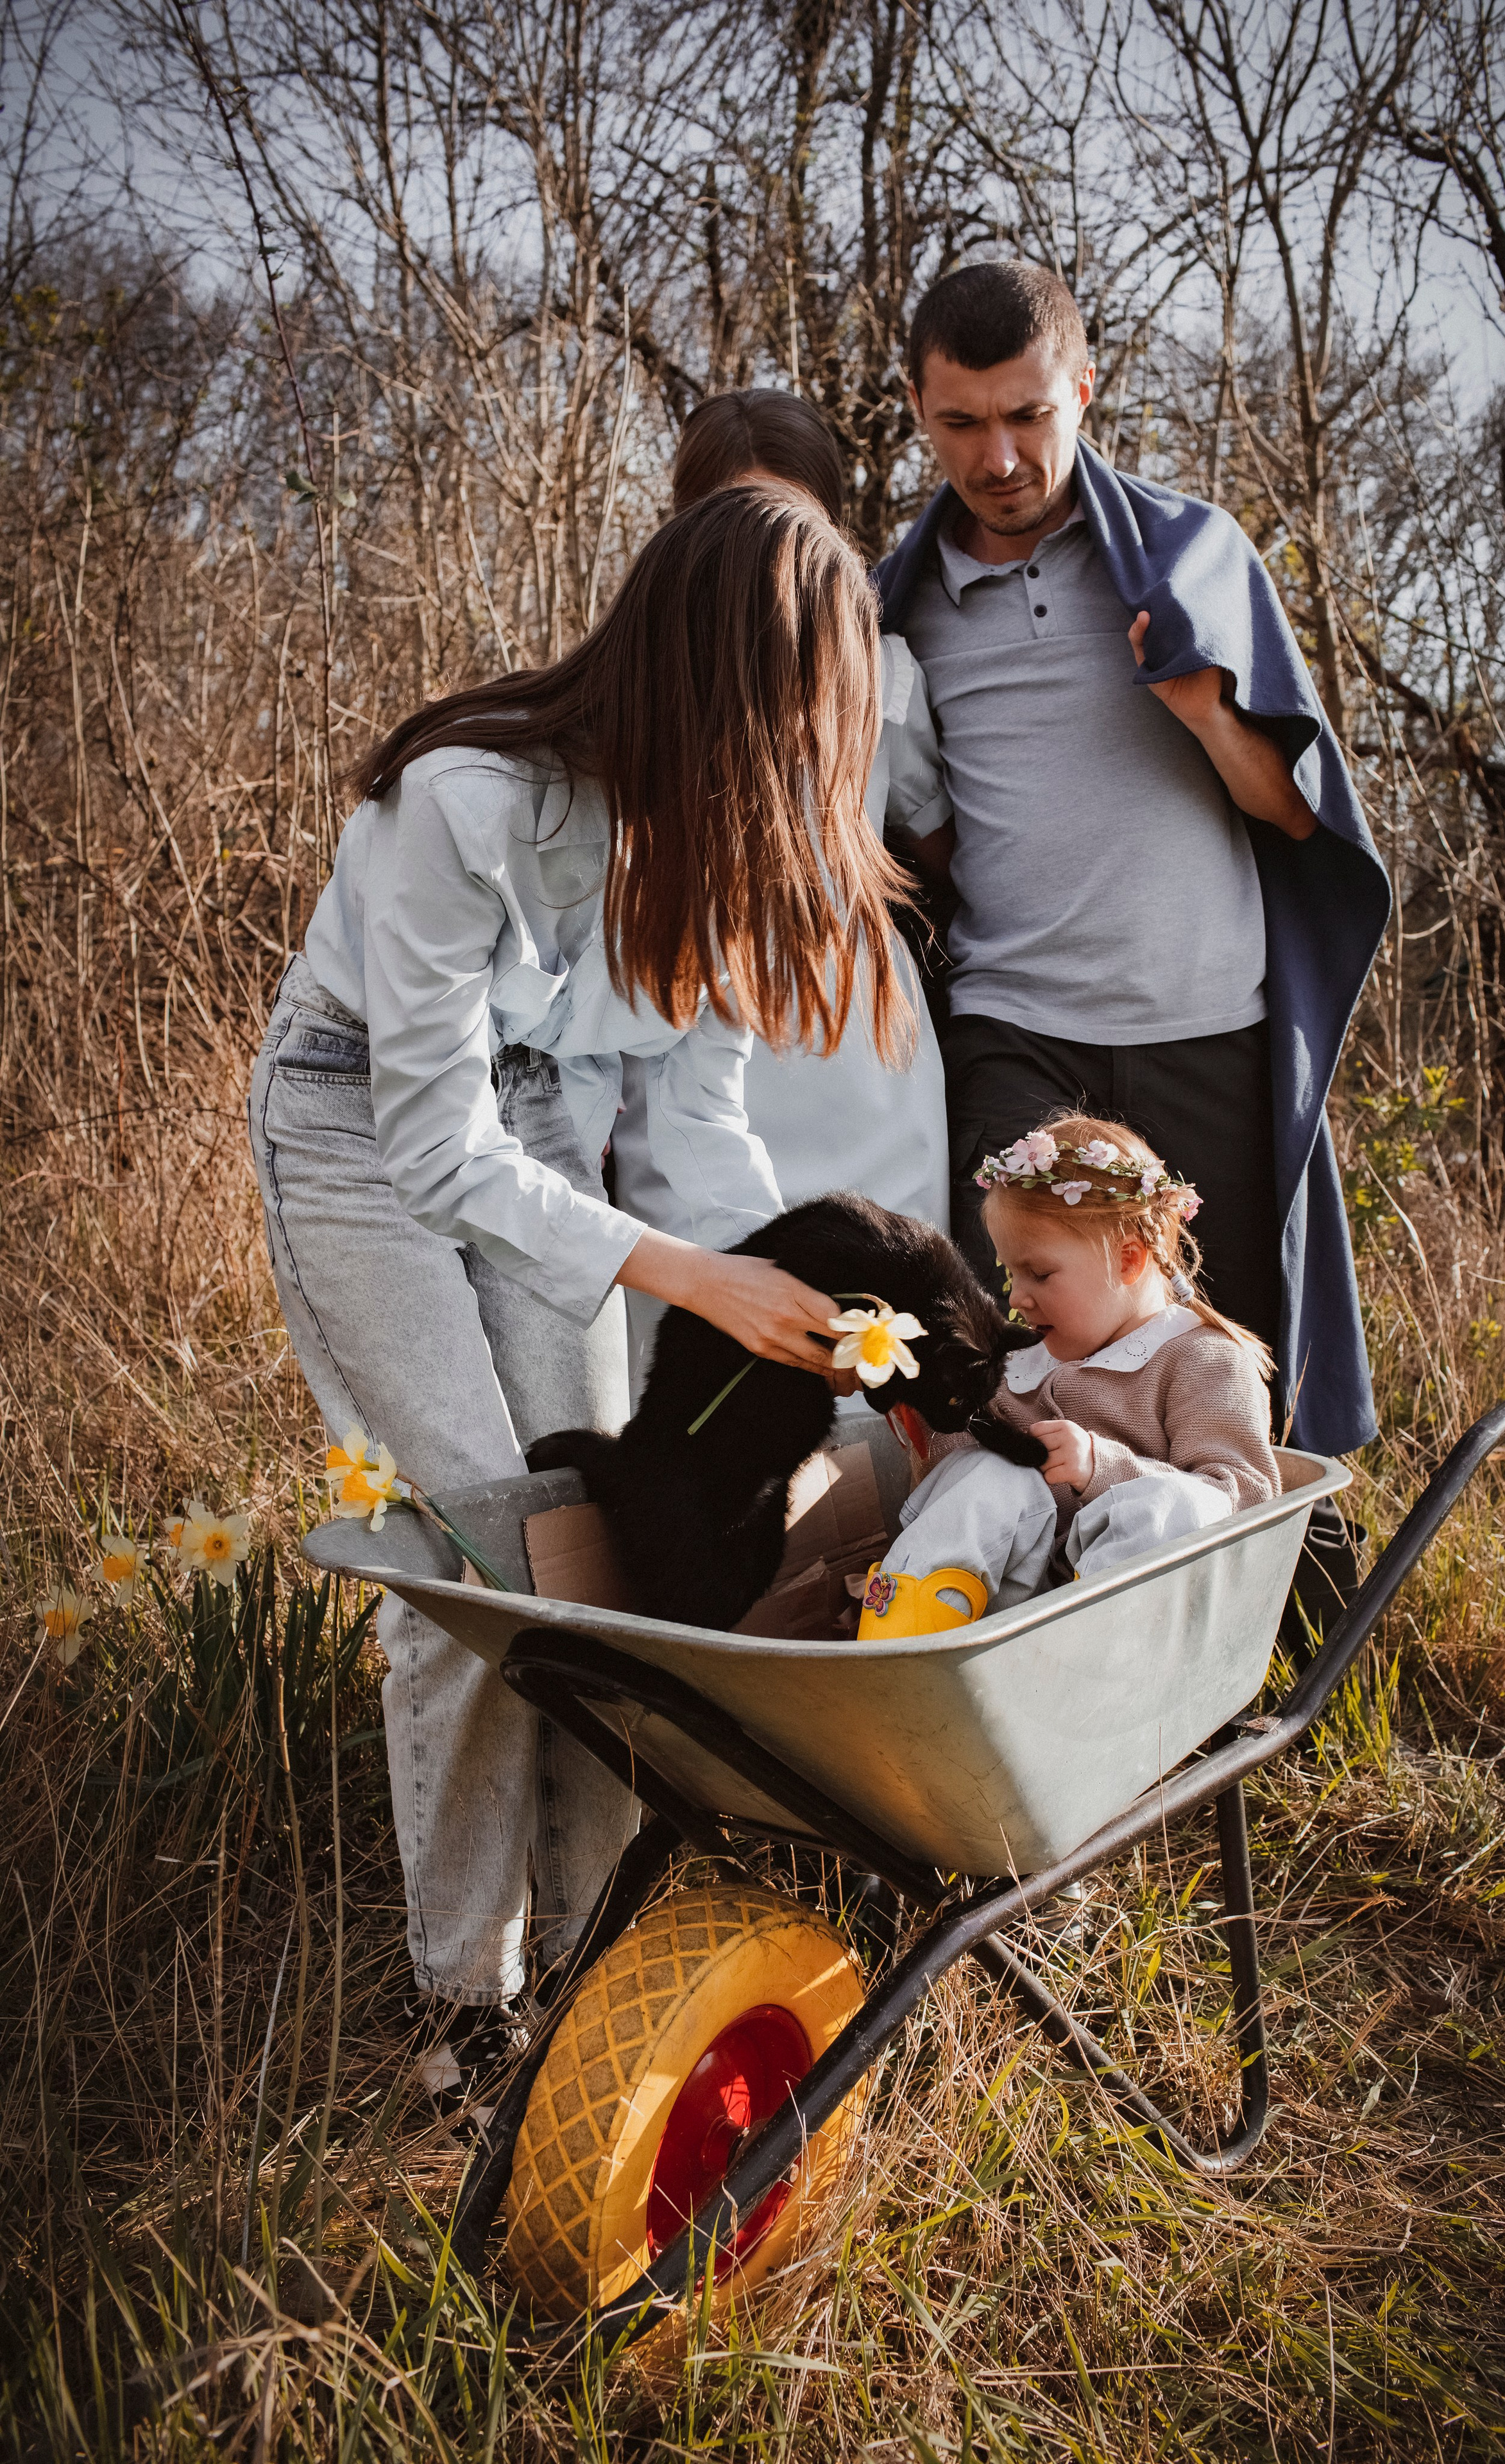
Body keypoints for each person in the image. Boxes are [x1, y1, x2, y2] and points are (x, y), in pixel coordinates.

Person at [248, 483, 903, 2102]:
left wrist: (803, 1300)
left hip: (538, 1124)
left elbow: (692, 1132)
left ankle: (593, 1954)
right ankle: (463, 1997)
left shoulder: (738, 851)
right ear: (711, 686)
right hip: (360, 1125)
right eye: (798, 719)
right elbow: (432, 1138)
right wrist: (686, 1277)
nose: (816, 764)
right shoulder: (464, 799)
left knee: (596, 1552)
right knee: (492, 1549)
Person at [873, 259, 1390, 1641]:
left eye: (1028, 416)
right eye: (960, 423)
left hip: (1195, 1023)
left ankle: (1266, 1653)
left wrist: (1204, 712)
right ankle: (1011, 1656)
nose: (998, 456)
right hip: (1014, 1026)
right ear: (917, 412)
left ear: (1082, 390)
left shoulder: (1188, 555)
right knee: (1010, 1346)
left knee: (1219, 1350)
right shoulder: (892, 611)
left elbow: (1295, 808)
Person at [609, 389, 952, 1398]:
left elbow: (937, 844)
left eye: (789, 519)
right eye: (726, 514)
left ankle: (893, 1548)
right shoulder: (646, 681)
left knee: (884, 1321)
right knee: (702, 1325)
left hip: (857, 1036)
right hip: (687, 1008)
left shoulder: (886, 675)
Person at [857, 1116, 1279, 1636]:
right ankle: (902, 1635)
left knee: (1176, 1503)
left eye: (1039, 1273)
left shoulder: (1203, 1359)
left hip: (1131, 1616)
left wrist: (1104, 1467)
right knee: (992, 1476)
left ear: (1128, 1260)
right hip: (1005, 1610)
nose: (1015, 1296)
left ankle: (1080, 1640)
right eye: (1011, 1274)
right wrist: (929, 1410)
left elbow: (1246, 1499)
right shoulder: (1026, 1359)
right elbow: (961, 1487)